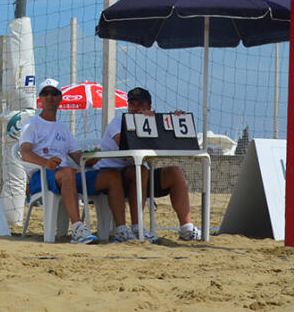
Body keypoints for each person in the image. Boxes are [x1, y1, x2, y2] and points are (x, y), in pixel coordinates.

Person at [19, 77, 129, 244]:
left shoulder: (63, 128)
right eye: (45, 93)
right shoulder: (31, 124)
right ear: (40, 98)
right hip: (41, 176)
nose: (50, 96)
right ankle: (77, 228)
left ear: (60, 98)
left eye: (54, 93)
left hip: (65, 175)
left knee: (111, 176)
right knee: (68, 172)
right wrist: (46, 163)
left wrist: (91, 159)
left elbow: (78, 158)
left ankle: (121, 230)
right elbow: (25, 153)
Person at [96, 86, 200, 241]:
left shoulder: (153, 123)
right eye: (132, 104)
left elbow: (168, 144)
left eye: (140, 104)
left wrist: (173, 122)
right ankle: (137, 227)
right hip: (115, 174)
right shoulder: (118, 122)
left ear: (149, 107)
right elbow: (126, 149)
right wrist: (145, 123)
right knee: (140, 171)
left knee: (174, 172)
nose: (135, 108)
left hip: (137, 175)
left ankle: (187, 228)